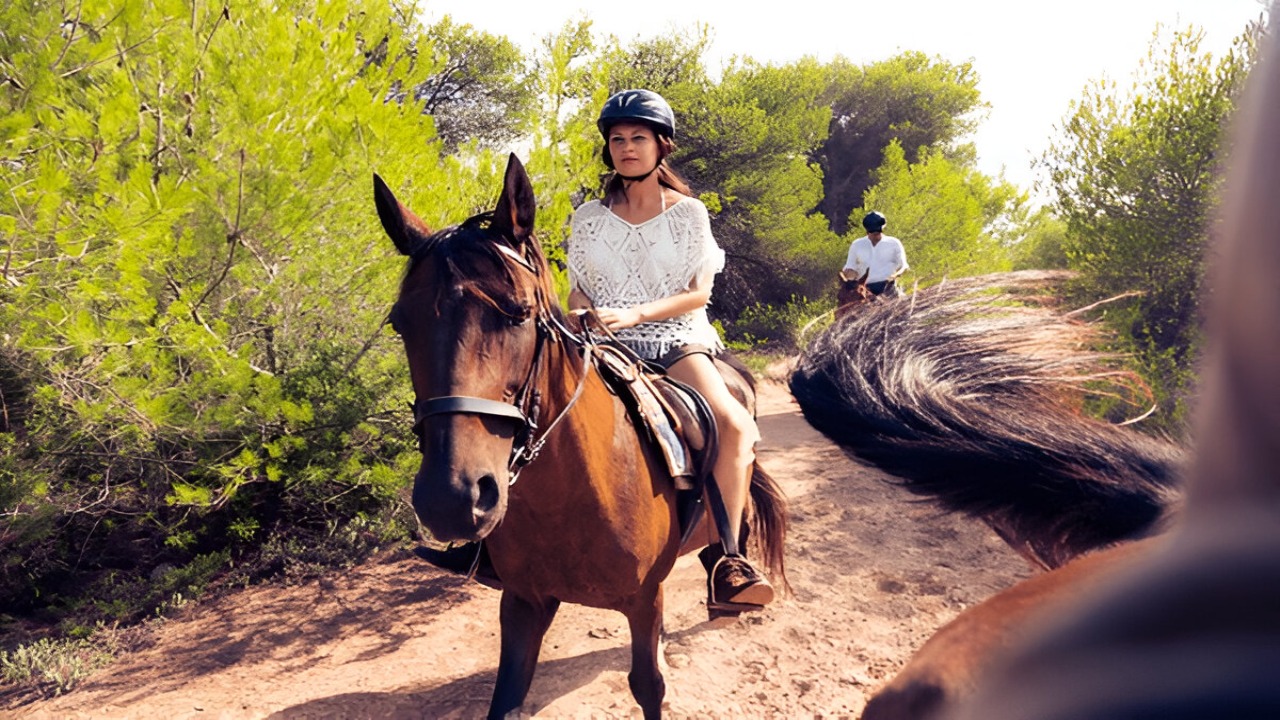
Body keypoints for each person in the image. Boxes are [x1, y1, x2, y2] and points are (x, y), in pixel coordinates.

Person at [565, 88, 775, 616]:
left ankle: (729, 560)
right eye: (617, 139)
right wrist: (580, 312)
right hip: (602, 339)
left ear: (662, 146)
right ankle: (493, 542)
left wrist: (635, 315)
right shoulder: (587, 217)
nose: (627, 148)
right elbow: (578, 287)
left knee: (733, 426)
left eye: (638, 138)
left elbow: (698, 292)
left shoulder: (689, 215)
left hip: (674, 339)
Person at [842, 211, 909, 297]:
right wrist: (850, 276)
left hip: (889, 288)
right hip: (865, 290)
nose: (875, 235)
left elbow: (904, 266)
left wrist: (895, 275)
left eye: (877, 232)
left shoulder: (894, 243)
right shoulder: (857, 245)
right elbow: (850, 267)